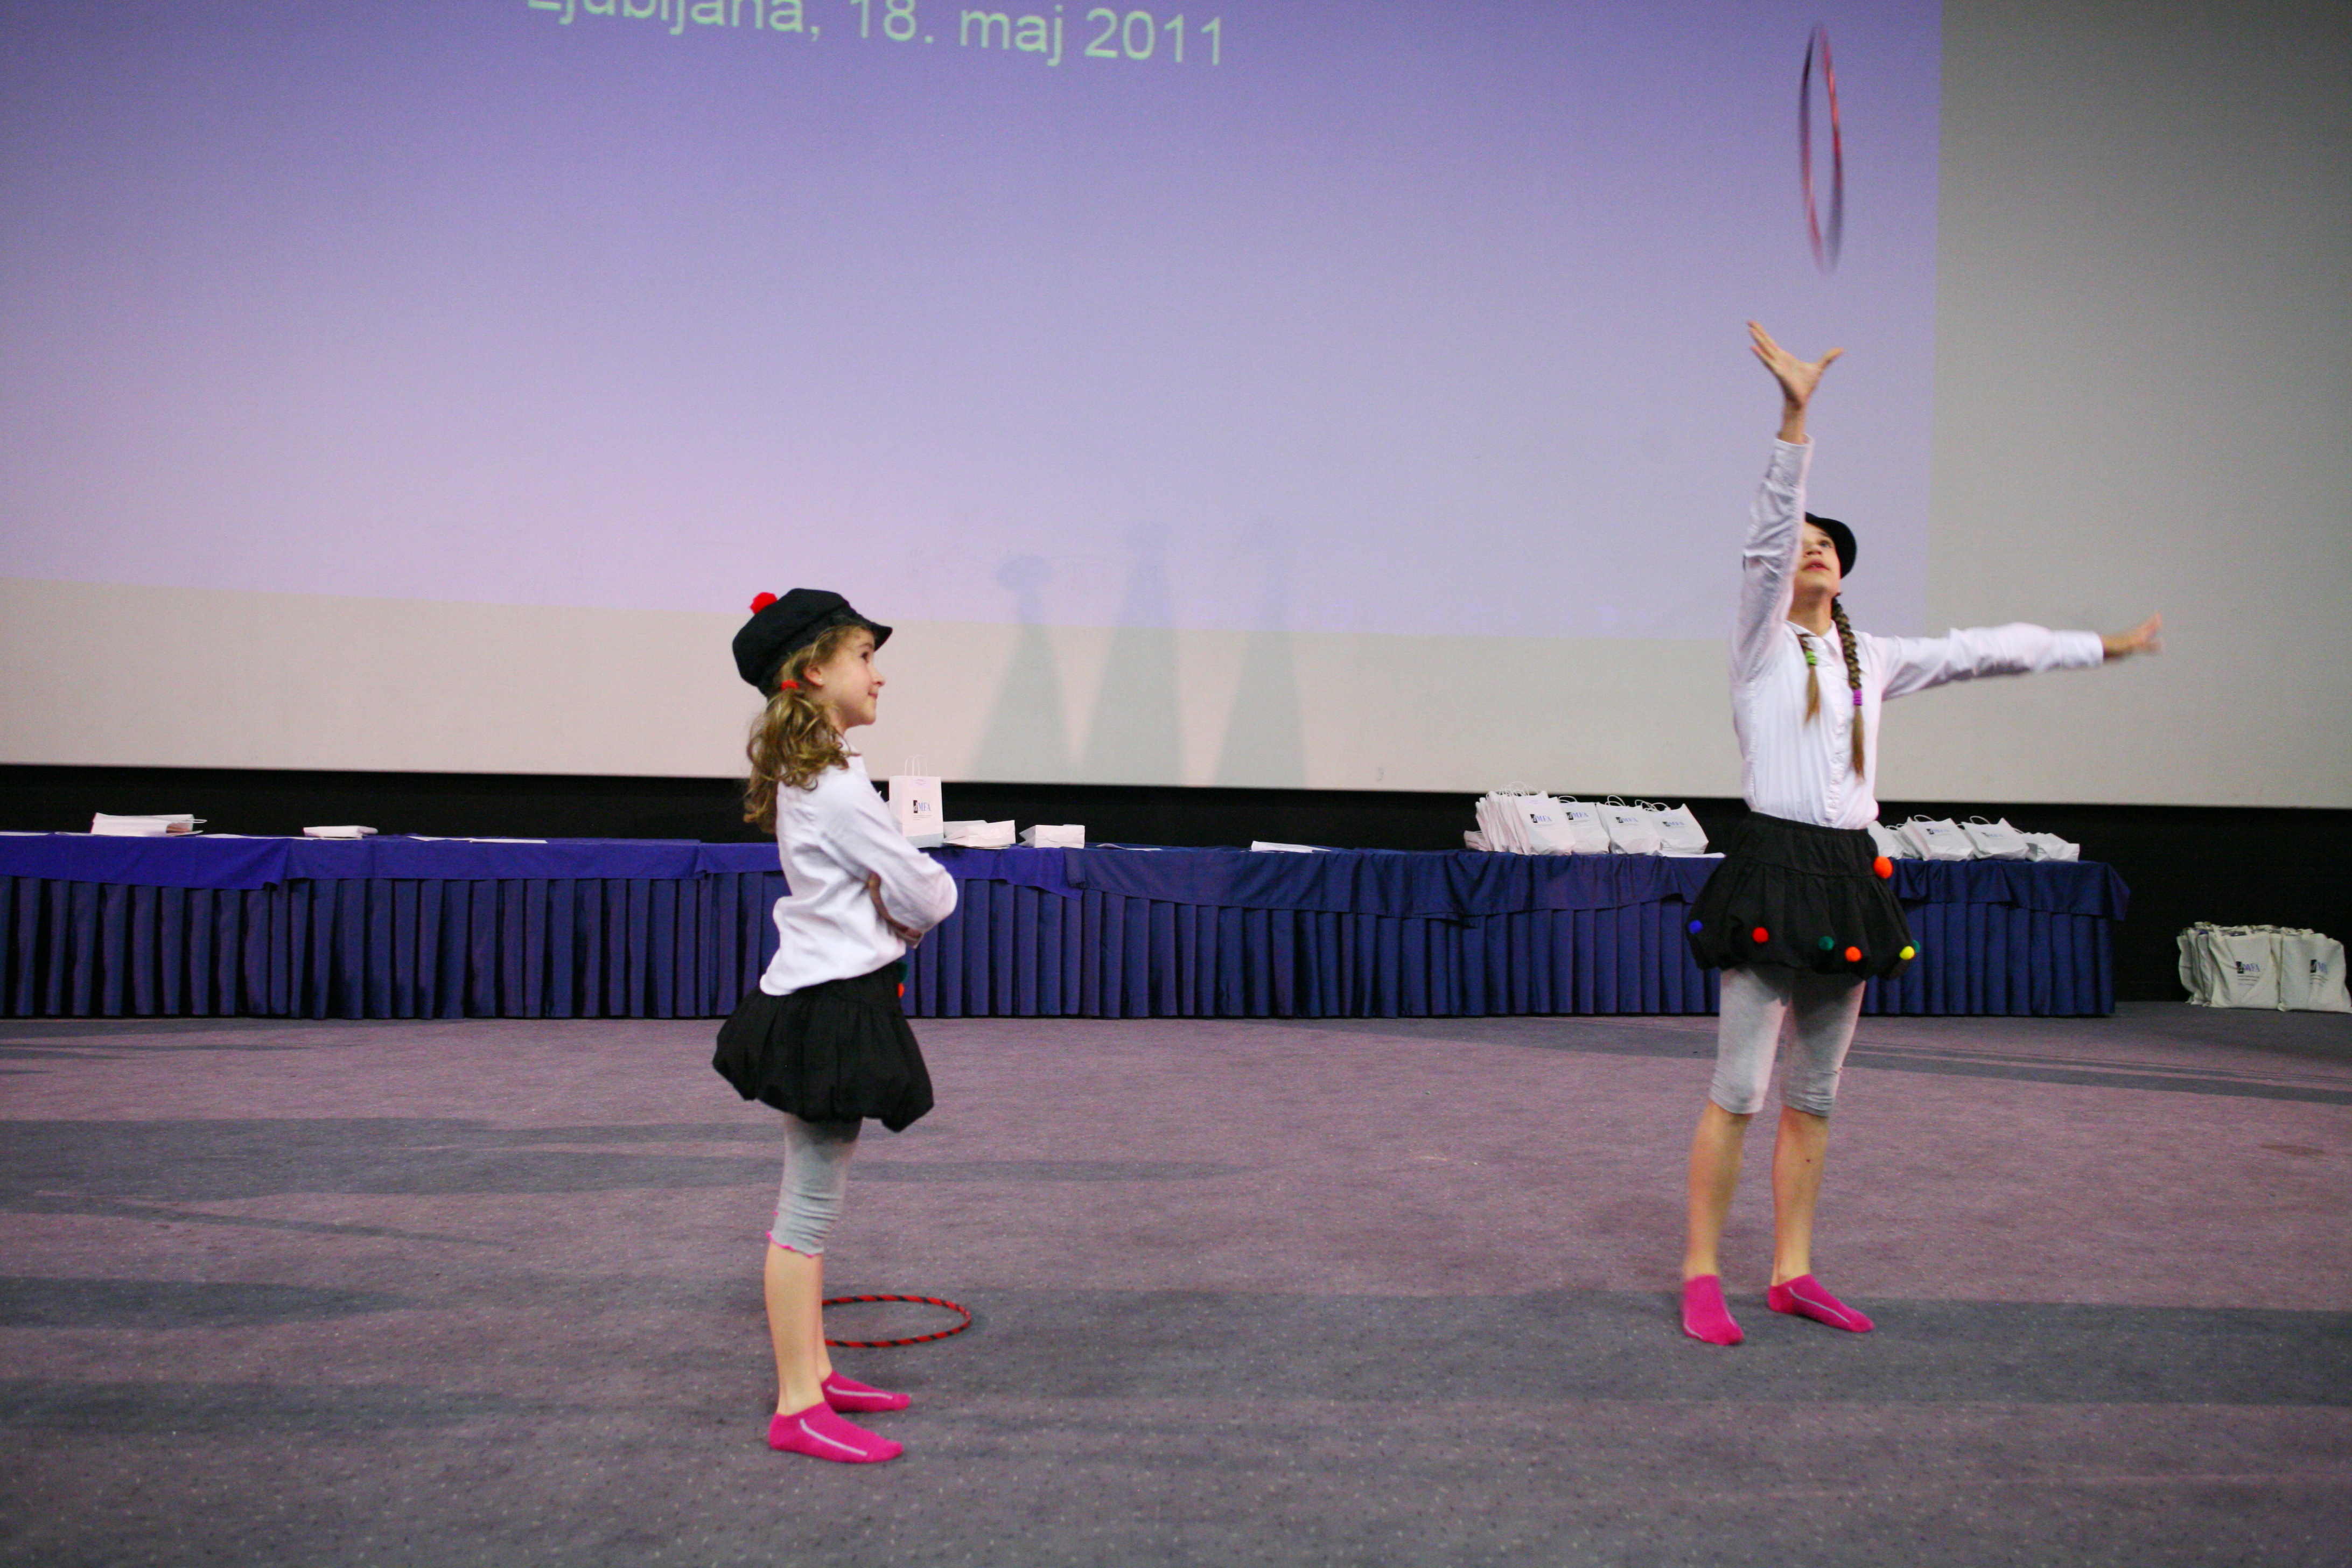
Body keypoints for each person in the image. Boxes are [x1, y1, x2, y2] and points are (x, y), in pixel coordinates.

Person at [1677, 324, 2161, 1346]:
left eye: (1827, 545)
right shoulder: (1760, 646)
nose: (1811, 548)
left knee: (1816, 1094)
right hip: (1773, 867)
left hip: (1848, 874)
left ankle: (1793, 1272)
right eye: (1802, 542)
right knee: (1740, 1089)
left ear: (1845, 574)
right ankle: (1701, 1273)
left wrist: (2100, 648)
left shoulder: (1877, 658)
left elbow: (1985, 651)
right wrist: (1795, 416)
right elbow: (1768, 534)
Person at [713, 587, 958, 1459]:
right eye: (864, 656)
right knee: (807, 1211)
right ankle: (796, 1407)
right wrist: (910, 902)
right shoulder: (838, 787)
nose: (878, 675)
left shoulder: (817, 773)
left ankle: (815, 1374)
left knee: (813, 1198)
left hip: (827, 995)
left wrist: (892, 899)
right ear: (814, 671)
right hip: (830, 1007)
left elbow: (895, 887)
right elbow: (930, 891)